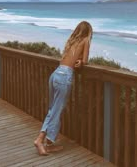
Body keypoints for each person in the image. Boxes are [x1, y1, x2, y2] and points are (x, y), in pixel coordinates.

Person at [34, 21, 93, 155]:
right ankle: (40, 139)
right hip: (65, 76)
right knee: (56, 110)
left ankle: (49, 144)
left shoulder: (71, 41)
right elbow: (84, 60)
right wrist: (82, 62)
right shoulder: (85, 41)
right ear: (88, 32)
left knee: (53, 109)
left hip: (56, 74)